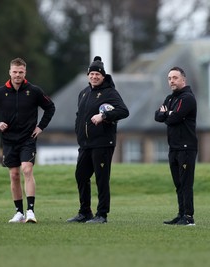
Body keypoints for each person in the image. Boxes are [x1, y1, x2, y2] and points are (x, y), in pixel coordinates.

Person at [0, 57, 55, 223]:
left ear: (25, 73)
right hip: (8, 140)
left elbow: (50, 107)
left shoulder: (34, 91)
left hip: (28, 138)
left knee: (27, 170)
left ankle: (30, 211)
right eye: (14, 72)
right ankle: (19, 212)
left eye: (20, 72)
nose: (17, 75)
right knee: (14, 175)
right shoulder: (0, 93)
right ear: (9, 72)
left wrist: (40, 127)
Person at [67, 56, 129, 224]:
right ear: (88, 75)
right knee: (81, 176)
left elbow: (124, 111)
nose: (94, 77)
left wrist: (104, 116)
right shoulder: (84, 93)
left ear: (103, 76)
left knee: (101, 179)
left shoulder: (110, 92)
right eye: (92, 74)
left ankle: (102, 214)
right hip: (85, 144)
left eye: (98, 74)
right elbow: (79, 116)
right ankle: (84, 212)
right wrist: (78, 132)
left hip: (102, 143)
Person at [154, 66, 198, 226]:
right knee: (178, 184)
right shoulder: (170, 98)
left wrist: (167, 114)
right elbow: (157, 116)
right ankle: (180, 214)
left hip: (186, 147)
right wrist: (167, 114)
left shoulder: (187, 98)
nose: (172, 81)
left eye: (175, 78)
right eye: (169, 78)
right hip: (173, 147)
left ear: (183, 79)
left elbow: (174, 118)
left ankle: (188, 217)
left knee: (186, 184)